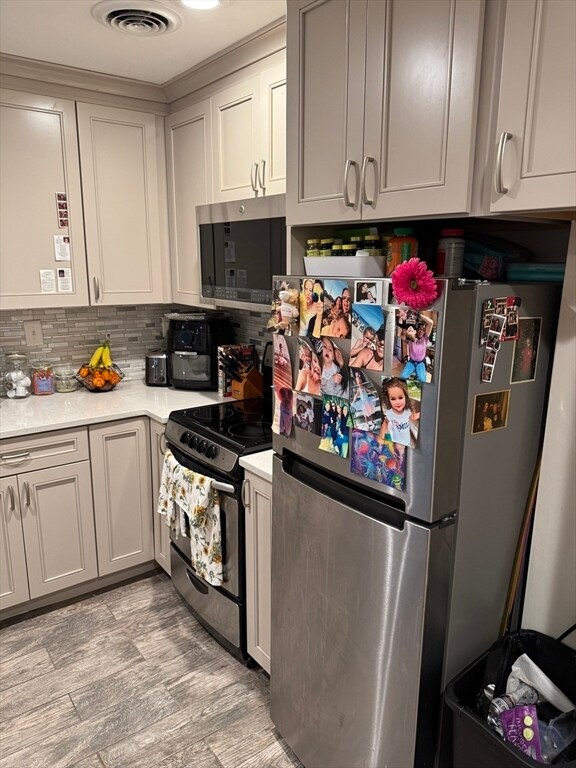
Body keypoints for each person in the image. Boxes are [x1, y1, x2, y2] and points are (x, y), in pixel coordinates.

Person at [379, 377, 420, 450]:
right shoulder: (390, 413)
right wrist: (382, 435)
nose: (397, 402)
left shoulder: (408, 410)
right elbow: (385, 422)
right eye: (393, 399)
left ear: (405, 397)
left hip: (407, 441)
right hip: (396, 442)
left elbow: (413, 417)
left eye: (400, 398)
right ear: (388, 400)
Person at [400, 313, 433, 382]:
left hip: (420, 363)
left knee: (422, 379)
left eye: (423, 330)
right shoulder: (411, 338)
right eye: (419, 329)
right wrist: (402, 319)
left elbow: (431, 323)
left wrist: (419, 315)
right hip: (411, 362)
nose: (421, 331)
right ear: (416, 330)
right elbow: (401, 335)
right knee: (403, 376)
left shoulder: (425, 338)